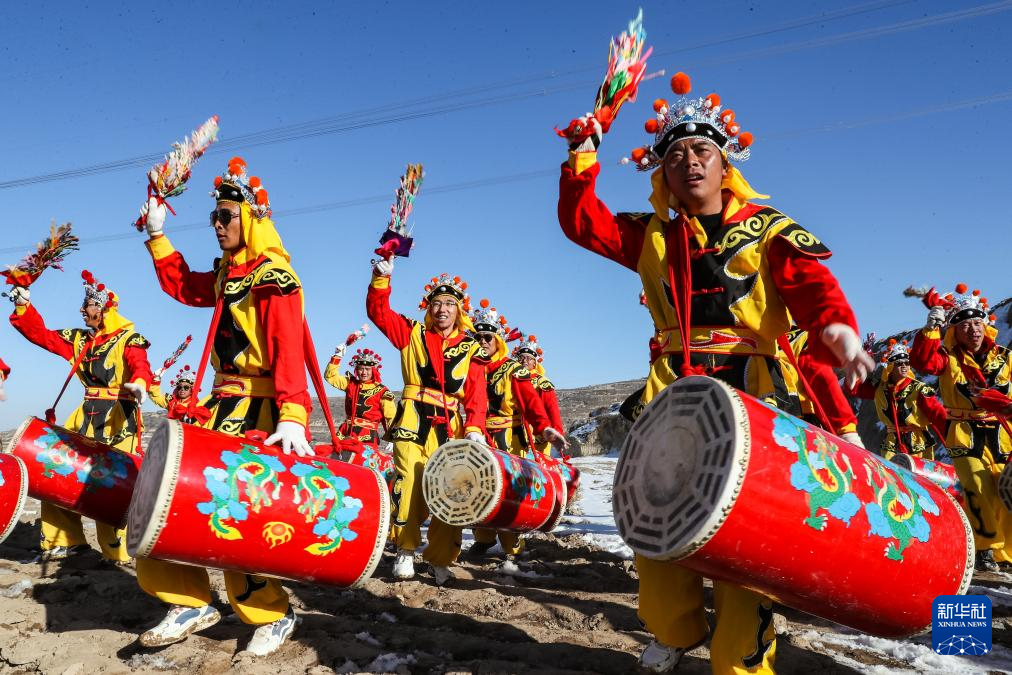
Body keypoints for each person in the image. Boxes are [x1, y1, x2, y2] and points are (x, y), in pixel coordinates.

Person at [557, 70, 873, 673]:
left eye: (702, 149)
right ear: (662, 172)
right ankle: (675, 630)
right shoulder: (651, 235)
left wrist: (838, 330)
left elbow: (815, 289)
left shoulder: (770, 230)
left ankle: (740, 658)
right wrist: (583, 154)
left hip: (755, 396)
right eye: (676, 154)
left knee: (747, 546)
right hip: (673, 398)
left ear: (725, 163)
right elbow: (583, 223)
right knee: (658, 531)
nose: (690, 162)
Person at [136, 156, 313, 654]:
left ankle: (272, 612)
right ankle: (189, 599)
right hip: (218, 406)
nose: (216, 224)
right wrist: (157, 236)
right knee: (174, 497)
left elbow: (287, 345)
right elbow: (182, 285)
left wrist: (293, 414)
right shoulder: (224, 275)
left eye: (226, 216)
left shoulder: (275, 276)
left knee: (240, 510)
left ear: (250, 218)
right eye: (213, 216)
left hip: (260, 409)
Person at [8, 272, 151, 563]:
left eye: (87, 304)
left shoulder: (129, 338)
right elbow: (43, 336)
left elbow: (140, 364)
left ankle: (118, 555)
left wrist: (140, 383)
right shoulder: (78, 339)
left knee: (112, 486)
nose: (82, 309)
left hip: (118, 418)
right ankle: (65, 542)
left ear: (104, 308)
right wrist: (24, 305)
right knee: (55, 469)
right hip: (85, 416)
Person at [367, 264, 487, 585]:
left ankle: (440, 558)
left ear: (459, 310)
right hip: (412, 418)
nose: (442, 309)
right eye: (436, 303)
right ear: (428, 308)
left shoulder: (472, 348)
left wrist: (475, 427)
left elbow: (476, 393)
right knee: (409, 481)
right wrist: (381, 277)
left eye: (449, 304)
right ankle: (405, 549)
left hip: (450, 426)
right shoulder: (411, 333)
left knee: (451, 490)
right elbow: (378, 312)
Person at [910, 285, 1011, 573]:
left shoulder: (1005, 356)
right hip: (964, 432)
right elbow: (923, 362)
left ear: (986, 326)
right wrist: (931, 328)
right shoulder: (947, 357)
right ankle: (984, 548)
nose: (973, 330)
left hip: (1002, 432)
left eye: (977, 323)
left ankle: (1006, 554)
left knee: (1006, 488)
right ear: (954, 330)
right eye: (965, 325)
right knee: (977, 486)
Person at [466, 302, 568, 569]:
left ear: (498, 340)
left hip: (509, 438)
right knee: (479, 486)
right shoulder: (471, 366)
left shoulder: (513, 370)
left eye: (488, 337)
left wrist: (546, 428)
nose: (482, 341)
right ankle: (483, 537)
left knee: (509, 490)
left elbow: (534, 404)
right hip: (479, 435)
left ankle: (512, 545)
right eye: (478, 337)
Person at [852, 339, 946, 460]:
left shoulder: (919, 388)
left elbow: (937, 413)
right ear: (890, 366)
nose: (904, 366)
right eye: (899, 363)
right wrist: (857, 364)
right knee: (890, 470)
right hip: (892, 441)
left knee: (918, 471)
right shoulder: (879, 388)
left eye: (907, 363)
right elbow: (854, 388)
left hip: (917, 442)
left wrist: (952, 432)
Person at [324, 345, 396, 480]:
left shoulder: (382, 391)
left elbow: (390, 417)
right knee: (337, 467)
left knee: (362, 470)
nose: (364, 372)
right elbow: (330, 377)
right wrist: (338, 356)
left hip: (367, 436)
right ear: (356, 370)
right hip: (345, 433)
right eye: (361, 368)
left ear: (373, 370)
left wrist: (393, 438)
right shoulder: (350, 384)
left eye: (367, 369)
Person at [512, 335, 566, 456]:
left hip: (537, 436)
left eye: (529, 358)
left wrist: (557, 433)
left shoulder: (542, 382)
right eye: (521, 357)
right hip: (514, 434)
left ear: (535, 362)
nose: (524, 361)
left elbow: (552, 409)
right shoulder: (511, 378)